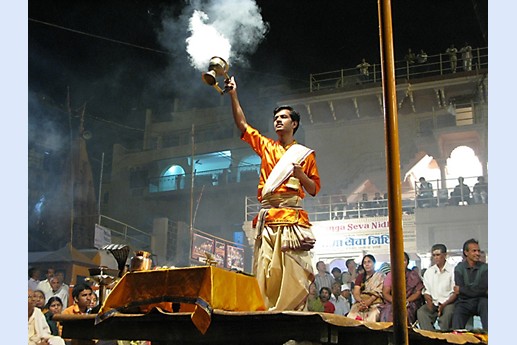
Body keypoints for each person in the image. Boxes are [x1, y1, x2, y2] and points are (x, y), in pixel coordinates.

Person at [225, 76, 321, 311]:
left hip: (291, 220)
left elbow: (314, 189)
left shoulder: (305, 155)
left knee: (291, 271)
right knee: (266, 270)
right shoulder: (267, 146)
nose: (278, 121)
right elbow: (242, 126)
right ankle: (266, 314)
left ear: (294, 124)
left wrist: (301, 176)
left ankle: (289, 315)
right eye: (276, 118)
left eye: (283, 117)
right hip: (268, 220)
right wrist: (233, 94)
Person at [417, 244, 457, 331]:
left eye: (438, 255)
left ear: (445, 255)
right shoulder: (429, 272)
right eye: (434, 255)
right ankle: (429, 337)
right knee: (422, 312)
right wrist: (429, 301)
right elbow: (426, 291)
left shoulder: (452, 271)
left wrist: (444, 305)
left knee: (448, 313)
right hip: (433, 302)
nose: (436, 258)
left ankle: (445, 337)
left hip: (448, 303)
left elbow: (455, 292)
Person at [452, 239, 488, 331]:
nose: (477, 253)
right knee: (458, 311)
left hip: (481, 301)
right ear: (466, 253)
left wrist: (462, 289)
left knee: (487, 305)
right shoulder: (459, 268)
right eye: (474, 251)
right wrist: (478, 290)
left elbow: (484, 289)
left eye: (478, 251)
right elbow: (460, 291)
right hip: (465, 301)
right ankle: (456, 339)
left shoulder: (485, 268)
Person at [379, 252, 424, 324]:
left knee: (405, 313)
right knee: (388, 313)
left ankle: (405, 334)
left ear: (408, 262)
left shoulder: (413, 275)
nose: (401, 263)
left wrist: (407, 301)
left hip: (409, 303)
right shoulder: (391, 275)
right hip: (393, 302)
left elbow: (418, 292)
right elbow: (385, 293)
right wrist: (396, 302)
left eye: (404, 260)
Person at [347, 254, 385, 322]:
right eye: (364, 263)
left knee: (373, 315)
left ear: (374, 263)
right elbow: (356, 292)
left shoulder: (380, 276)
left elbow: (379, 291)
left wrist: (369, 301)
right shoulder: (360, 277)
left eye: (369, 262)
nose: (367, 264)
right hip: (361, 302)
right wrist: (361, 302)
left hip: (375, 303)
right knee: (351, 315)